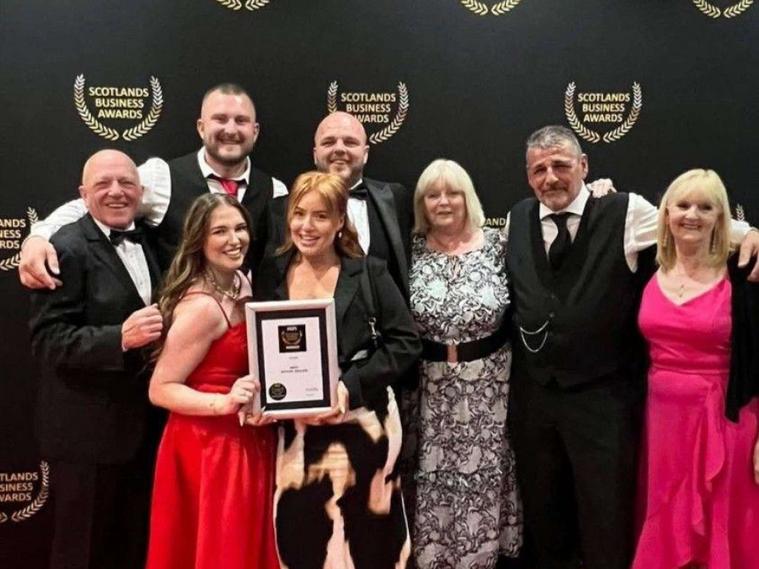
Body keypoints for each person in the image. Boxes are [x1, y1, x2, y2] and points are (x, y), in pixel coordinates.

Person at [504, 125, 759, 569]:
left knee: (607, 521)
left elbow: (691, 219)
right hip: (535, 400)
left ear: (584, 166)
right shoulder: (516, 218)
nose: (551, 177)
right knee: (545, 520)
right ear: (528, 176)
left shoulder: (626, 211)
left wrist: (752, 231)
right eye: (539, 169)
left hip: (603, 401)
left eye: (561, 165)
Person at [255, 171, 422, 569]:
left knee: (371, 545)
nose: (307, 226)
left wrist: (349, 387)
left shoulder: (368, 272)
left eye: (320, 216)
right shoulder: (271, 273)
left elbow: (405, 343)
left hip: (365, 428)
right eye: (299, 214)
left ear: (339, 221)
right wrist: (260, 393)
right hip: (299, 435)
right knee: (303, 544)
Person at [28, 149, 163, 569]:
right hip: (86, 436)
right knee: (80, 554)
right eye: (103, 184)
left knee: (133, 550)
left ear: (141, 191)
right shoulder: (65, 248)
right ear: (83, 195)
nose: (116, 192)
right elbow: (48, 340)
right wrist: (118, 338)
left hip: (145, 432)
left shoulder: (154, 240)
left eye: (126, 183)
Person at [19, 82, 287, 286]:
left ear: (255, 131)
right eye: (220, 119)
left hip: (243, 329)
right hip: (172, 331)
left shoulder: (275, 191)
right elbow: (87, 207)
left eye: (241, 121)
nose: (230, 129)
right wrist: (38, 237)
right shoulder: (161, 177)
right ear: (201, 127)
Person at [632, 169, 759, 569]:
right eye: (683, 205)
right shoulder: (644, 268)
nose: (692, 215)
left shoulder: (745, 274)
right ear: (666, 212)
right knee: (667, 524)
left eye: (705, 207)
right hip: (661, 426)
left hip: (727, 421)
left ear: (721, 217)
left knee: (721, 527)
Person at [144, 193, 278, 569]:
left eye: (240, 228)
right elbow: (160, 388)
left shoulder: (241, 282)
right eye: (220, 231)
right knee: (221, 549)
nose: (234, 239)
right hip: (209, 447)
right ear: (199, 241)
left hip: (246, 437)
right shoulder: (202, 307)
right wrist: (223, 403)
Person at [407, 159, 521, 568]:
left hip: (491, 389)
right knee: (434, 475)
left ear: (467, 196)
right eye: (432, 195)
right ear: (421, 203)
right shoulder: (410, 250)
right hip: (430, 389)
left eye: (452, 192)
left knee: (485, 475)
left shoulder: (499, 245)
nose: (443, 202)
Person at [312, 111, 413, 296]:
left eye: (350, 142)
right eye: (328, 142)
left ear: (365, 154)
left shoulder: (395, 198)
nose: (339, 149)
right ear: (315, 154)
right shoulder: (284, 209)